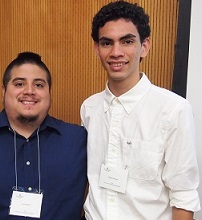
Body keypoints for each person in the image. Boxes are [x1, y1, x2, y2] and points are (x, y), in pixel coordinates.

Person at [80, 1, 200, 220]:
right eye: (107, 43)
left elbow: (183, 195)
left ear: (144, 46)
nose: (116, 52)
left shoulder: (173, 110)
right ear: (97, 49)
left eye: (127, 41)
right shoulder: (90, 108)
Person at [0, 52, 87, 219]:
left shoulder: (78, 140)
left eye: (39, 85)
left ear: (49, 93)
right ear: (3, 92)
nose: (29, 91)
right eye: (19, 84)